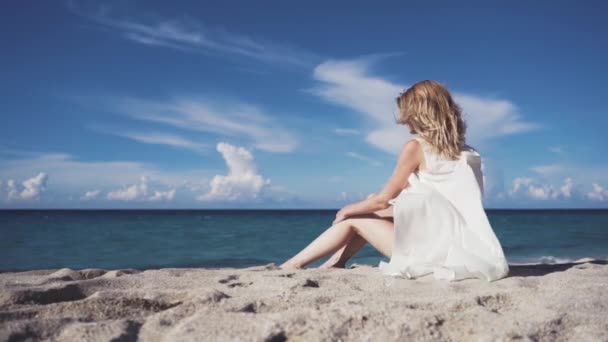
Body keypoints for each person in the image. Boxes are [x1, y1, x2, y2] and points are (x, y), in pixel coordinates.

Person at [280, 80, 510, 282]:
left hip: (430, 253)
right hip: (462, 247)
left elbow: (382, 201)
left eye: (407, 116)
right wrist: (366, 208)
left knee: (354, 220)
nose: (405, 124)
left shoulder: (416, 147)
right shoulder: (470, 154)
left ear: (418, 115)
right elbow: (445, 207)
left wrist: (346, 210)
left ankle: (293, 264)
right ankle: (335, 263)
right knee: (366, 208)